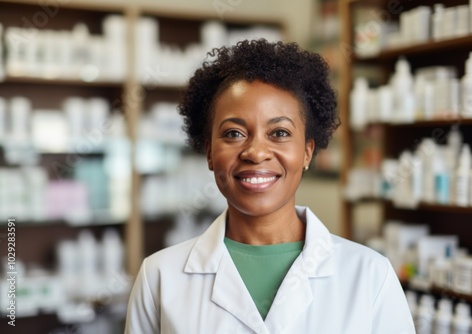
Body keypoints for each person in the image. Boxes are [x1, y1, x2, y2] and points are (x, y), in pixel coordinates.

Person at [125, 39, 415, 334]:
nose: (256, 152)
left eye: (279, 132)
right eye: (234, 133)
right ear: (210, 152)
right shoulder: (159, 277)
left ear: (307, 152)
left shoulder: (370, 276)